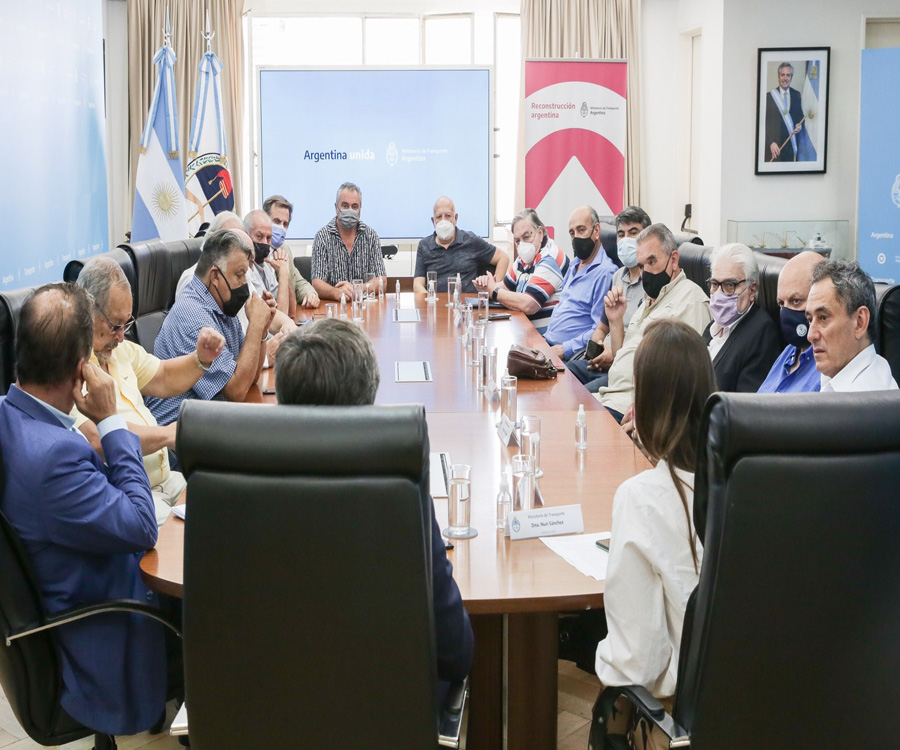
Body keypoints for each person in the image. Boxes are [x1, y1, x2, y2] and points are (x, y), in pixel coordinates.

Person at [0, 283, 167, 736]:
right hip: (103, 636)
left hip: (66, 589)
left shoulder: (9, 416)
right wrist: (111, 421)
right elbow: (139, 526)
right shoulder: (54, 457)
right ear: (82, 371)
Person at [274, 318, 474, 695]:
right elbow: (455, 652)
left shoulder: (234, 474)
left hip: (257, 710)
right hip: (383, 713)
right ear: (368, 401)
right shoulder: (399, 490)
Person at [594, 319, 716, 750]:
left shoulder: (641, 497)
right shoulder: (750, 482)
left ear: (643, 402)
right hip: (762, 696)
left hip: (686, 706)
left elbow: (639, 660)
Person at [73, 257, 225, 524]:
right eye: (115, 325)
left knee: (226, 504)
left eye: (126, 324)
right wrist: (167, 435)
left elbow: (164, 377)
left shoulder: (120, 351)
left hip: (168, 481)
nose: (121, 336)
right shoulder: (70, 369)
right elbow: (97, 440)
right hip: (129, 494)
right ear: (87, 311)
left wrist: (201, 359)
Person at [147, 229, 275, 426]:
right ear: (215, 276)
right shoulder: (193, 317)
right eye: (239, 276)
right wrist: (255, 327)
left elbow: (250, 376)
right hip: (179, 437)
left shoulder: (221, 305)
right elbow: (236, 391)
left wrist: (263, 329)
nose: (245, 286)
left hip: (211, 423)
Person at [596, 224, 711, 422]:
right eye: (641, 266)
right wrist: (615, 322)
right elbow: (620, 357)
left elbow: (684, 378)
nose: (646, 273)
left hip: (632, 407)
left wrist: (643, 416)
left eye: (652, 262)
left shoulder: (691, 300)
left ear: (673, 260)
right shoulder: (650, 299)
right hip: (609, 394)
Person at [568, 206, 651, 391]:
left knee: (582, 396)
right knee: (563, 376)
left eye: (633, 232)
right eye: (621, 234)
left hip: (625, 368)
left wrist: (614, 354)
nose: (626, 239)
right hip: (601, 361)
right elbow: (602, 327)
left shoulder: (652, 282)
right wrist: (596, 349)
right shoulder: (618, 276)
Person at [473, 208, 570, 334]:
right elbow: (505, 287)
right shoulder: (524, 258)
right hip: (525, 332)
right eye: (518, 240)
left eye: (527, 237)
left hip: (547, 341)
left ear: (540, 233)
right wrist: (486, 285)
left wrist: (493, 291)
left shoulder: (550, 258)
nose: (522, 244)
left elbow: (529, 304)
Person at [806, 259, 898, 392]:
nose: (811, 335)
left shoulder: (864, 401)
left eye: (823, 318)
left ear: (860, 322)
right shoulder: (840, 377)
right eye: (810, 320)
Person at [701, 243, 782, 392]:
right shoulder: (713, 327)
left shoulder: (762, 332)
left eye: (729, 285)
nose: (719, 294)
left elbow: (744, 405)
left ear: (752, 290)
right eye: (714, 284)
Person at [543, 205, 618, 361]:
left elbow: (599, 329)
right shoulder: (574, 264)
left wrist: (566, 348)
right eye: (572, 233)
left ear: (596, 231)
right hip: (548, 342)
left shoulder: (605, 273)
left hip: (568, 355)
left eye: (581, 230)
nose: (576, 237)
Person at [757, 251, 826, 393]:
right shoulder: (789, 352)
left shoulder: (827, 364)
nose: (787, 313)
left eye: (796, 301)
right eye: (781, 303)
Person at [413, 196, 509, 294]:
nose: (443, 221)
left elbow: (503, 258)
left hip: (467, 305)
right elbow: (417, 285)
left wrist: (494, 288)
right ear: (433, 221)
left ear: (455, 218)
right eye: (439, 217)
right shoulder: (424, 245)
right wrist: (429, 300)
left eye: (448, 216)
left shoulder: (471, 240)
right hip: (436, 304)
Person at [311, 182, 387, 301]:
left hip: (364, 309)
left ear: (360, 209)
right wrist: (336, 292)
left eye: (354, 206)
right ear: (336, 207)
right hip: (334, 310)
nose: (350, 210)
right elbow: (317, 283)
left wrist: (356, 289)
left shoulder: (371, 236)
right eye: (345, 206)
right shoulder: (322, 237)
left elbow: (381, 280)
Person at [263, 193, 320, 308]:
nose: (281, 228)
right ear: (264, 219)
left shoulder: (284, 248)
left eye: (285, 224)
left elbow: (298, 282)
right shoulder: (256, 251)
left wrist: (310, 294)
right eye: (277, 222)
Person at [244, 209, 295, 317]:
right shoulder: (246, 270)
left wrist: (284, 272)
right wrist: (283, 273)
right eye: (259, 236)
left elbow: (291, 312)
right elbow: (281, 319)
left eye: (268, 238)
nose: (264, 243)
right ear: (246, 235)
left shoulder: (264, 265)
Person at [765, 62, 805, 163]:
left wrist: (799, 126)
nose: (785, 78)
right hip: (774, 148)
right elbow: (764, 123)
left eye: (788, 75)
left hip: (790, 148)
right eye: (782, 75)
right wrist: (771, 142)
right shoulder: (768, 97)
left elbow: (800, 117)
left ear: (791, 77)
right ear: (778, 77)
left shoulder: (796, 95)